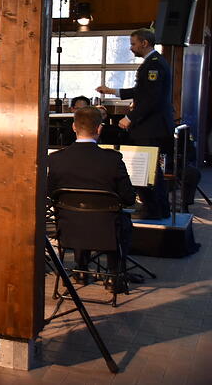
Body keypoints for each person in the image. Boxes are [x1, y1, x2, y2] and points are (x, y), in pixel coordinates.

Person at [47, 106, 136, 292]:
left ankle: (80, 270)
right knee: (119, 219)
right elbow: (128, 198)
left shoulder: (56, 159)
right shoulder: (113, 159)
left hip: (69, 230)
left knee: (78, 213)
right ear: (99, 129)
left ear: (73, 127)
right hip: (106, 231)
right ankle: (114, 276)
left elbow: (50, 193)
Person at [96, 28, 172, 219]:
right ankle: (156, 208)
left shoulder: (154, 64)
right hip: (150, 124)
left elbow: (151, 98)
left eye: (133, 44)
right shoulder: (152, 63)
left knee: (148, 168)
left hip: (150, 125)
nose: (131, 48)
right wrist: (112, 91)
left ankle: (153, 209)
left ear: (144, 43)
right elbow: (141, 90)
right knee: (151, 167)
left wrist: (130, 117)